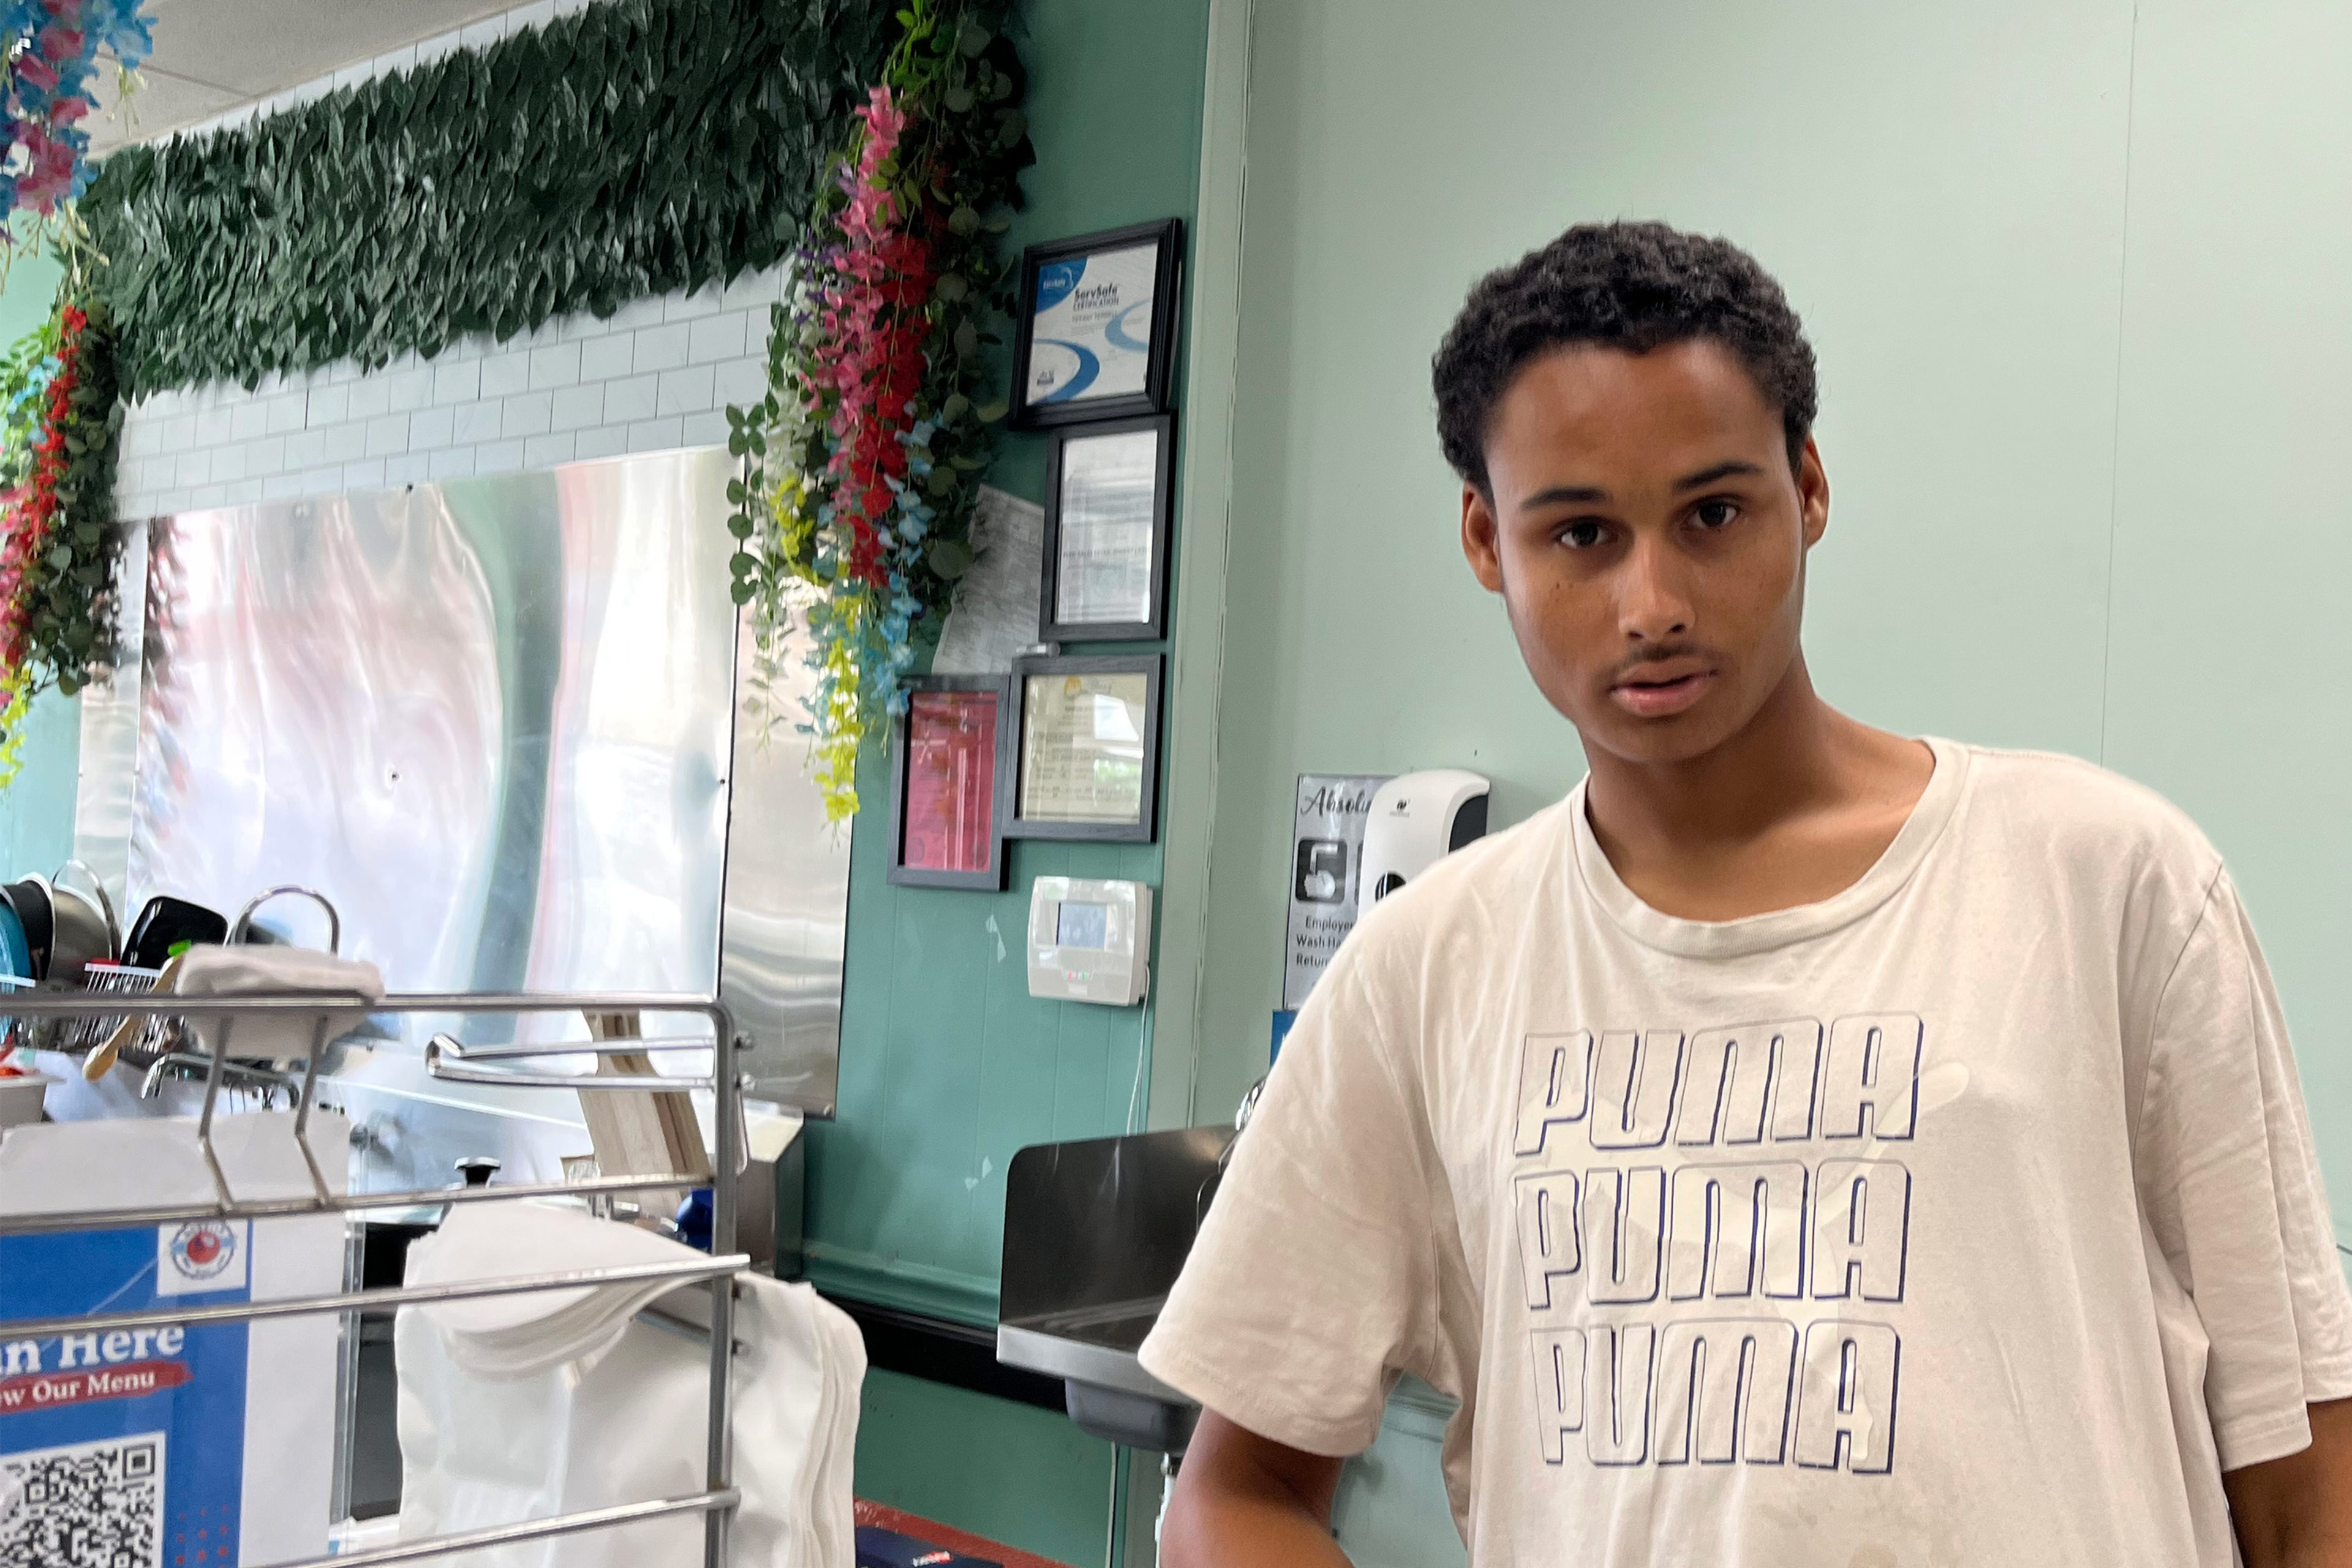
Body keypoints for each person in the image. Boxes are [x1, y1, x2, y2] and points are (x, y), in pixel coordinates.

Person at [1138, 221, 2352, 1566]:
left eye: (1712, 513)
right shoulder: (1425, 968)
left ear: (1809, 486)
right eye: (1582, 533)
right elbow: (1231, 1493)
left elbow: (2307, 1471)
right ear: (1489, 540)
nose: (1653, 601)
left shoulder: (2111, 879)